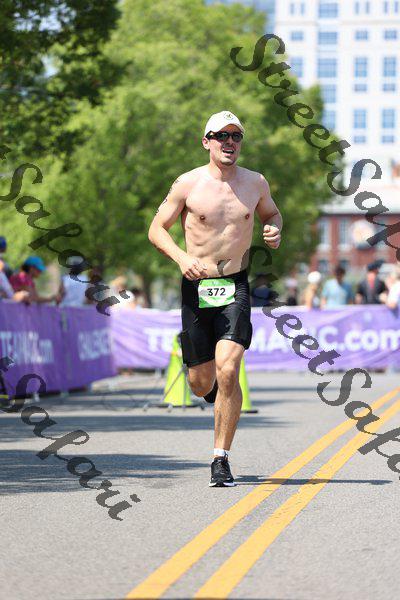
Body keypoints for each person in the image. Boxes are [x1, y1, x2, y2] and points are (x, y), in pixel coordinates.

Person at [148, 110, 282, 487]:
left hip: (235, 285)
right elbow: (157, 229)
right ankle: (214, 391)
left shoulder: (255, 183)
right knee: (200, 383)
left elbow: (272, 214)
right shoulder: (188, 183)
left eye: (235, 136)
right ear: (206, 141)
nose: (229, 142)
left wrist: (274, 229)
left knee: (229, 369)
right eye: (221, 135)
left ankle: (220, 458)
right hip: (197, 286)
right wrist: (181, 258)